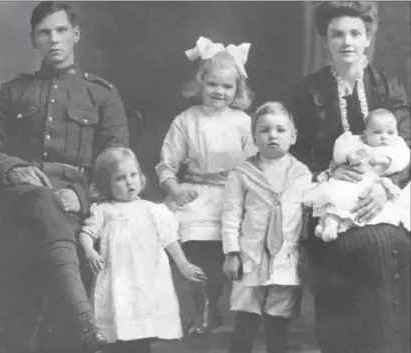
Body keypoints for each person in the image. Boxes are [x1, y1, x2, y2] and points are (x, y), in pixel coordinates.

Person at [0, 2, 129, 352]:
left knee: (49, 217)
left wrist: (84, 197)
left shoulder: (102, 94)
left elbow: (117, 163)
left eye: (61, 31)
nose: (53, 40)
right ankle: (85, 320)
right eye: (44, 33)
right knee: (40, 199)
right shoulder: (11, 93)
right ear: (33, 40)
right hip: (21, 197)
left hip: (74, 200)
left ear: (76, 35)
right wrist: (12, 167)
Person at [291, 2, 411, 353]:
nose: (347, 42)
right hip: (331, 194)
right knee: (355, 248)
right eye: (337, 34)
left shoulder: (389, 88)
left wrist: (386, 187)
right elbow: (296, 153)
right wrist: (328, 171)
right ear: (325, 40)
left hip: (390, 190)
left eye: (355, 33)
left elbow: (409, 147)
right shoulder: (307, 91)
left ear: (368, 38)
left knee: (389, 241)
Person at [155, 36, 257, 342]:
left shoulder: (243, 122)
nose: (219, 92)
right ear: (201, 82)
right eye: (213, 84)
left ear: (237, 90)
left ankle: (219, 306)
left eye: (227, 87)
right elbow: (166, 165)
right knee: (194, 247)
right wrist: (175, 191)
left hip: (232, 194)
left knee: (226, 249)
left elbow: (255, 164)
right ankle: (201, 308)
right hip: (196, 193)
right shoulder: (186, 121)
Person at [78, 147, 206, 353]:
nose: (129, 182)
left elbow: (169, 239)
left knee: (143, 330)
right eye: (120, 178)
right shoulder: (105, 210)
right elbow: (87, 232)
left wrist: (183, 264)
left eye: (133, 175)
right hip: (118, 279)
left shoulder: (151, 209)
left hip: (145, 280)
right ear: (106, 185)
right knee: (121, 327)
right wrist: (89, 251)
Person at [222, 102, 312, 353]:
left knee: (278, 322)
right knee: (246, 318)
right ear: (254, 137)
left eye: (280, 130)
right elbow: (231, 215)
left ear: (293, 136)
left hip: (286, 258)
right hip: (250, 256)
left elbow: (306, 218)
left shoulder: (303, 175)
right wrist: (231, 253)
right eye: (265, 130)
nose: (273, 135)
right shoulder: (242, 174)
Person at [304, 108, 410, 242]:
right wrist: (349, 156)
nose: (384, 137)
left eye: (390, 132)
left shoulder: (396, 146)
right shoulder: (358, 142)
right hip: (354, 181)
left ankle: (338, 226)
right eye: (377, 132)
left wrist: (387, 162)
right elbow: (340, 150)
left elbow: (403, 159)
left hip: (376, 184)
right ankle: (328, 224)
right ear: (366, 134)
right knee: (338, 197)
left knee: (368, 210)